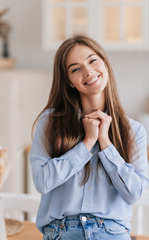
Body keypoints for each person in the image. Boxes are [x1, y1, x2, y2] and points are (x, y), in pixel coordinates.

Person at [30, 35, 149, 240]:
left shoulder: (133, 130)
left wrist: (105, 143)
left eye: (92, 60)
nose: (88, 71)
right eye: (75, 69)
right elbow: (42, 182)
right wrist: (87, 143)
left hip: (112, 233)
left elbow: (134, 193)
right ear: (69, 81)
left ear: (105, 63)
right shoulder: (50, 121)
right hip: (61, 232)